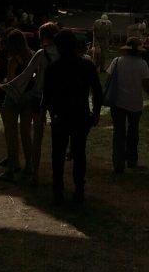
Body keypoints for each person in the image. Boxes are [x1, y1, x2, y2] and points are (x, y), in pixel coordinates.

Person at [42, 28, 103, 205]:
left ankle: (58, 191)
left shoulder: (54, 68)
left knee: (58, 155)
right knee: (79, 153)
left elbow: (47, 96)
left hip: (60, 116)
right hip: (80, 114)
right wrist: (96, 112)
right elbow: (97, 91)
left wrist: (45, 114)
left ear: (59, 47)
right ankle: (79, 190)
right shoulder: (87, 65)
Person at [0, 21, 59, 184]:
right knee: (42, 136)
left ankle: (33, 173)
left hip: (37, 98)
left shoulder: (41, 54)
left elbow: (26, 75)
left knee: (33, 136)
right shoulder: (61, 54)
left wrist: (6, 86)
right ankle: (37, 170)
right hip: (56, 99)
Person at [106, 37, 149, 173]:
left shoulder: (117, 61)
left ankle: (118, 163)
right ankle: (132, 160)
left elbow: (108, 80)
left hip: (118, 102)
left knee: (119, 133)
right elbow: (146, 85)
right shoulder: (142, 64)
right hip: (135, 103)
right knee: (133, 132)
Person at [0, 29, 35, 182]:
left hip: (13, 99)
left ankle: (11, 168)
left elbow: (11, 83)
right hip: (28, 98)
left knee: (11, 133)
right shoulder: (32, 55)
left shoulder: (13, 61)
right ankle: (29, 165)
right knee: (26, 134)